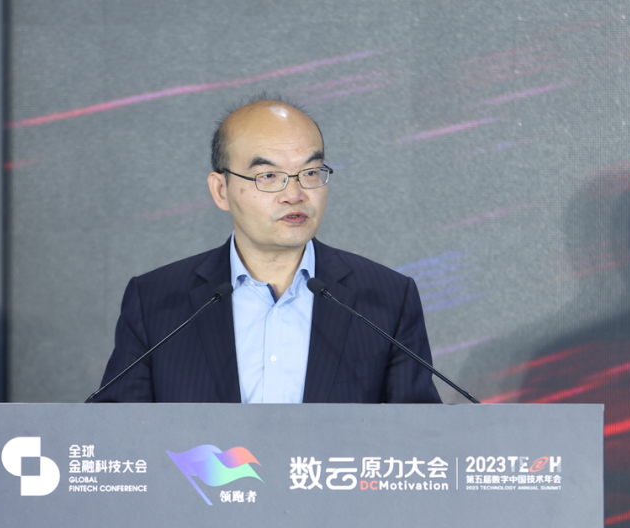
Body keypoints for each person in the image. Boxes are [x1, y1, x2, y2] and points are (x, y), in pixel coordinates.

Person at [94, 96, 441, 404]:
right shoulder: (155, 301)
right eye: (269, 176)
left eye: (310, 172)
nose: (295, 194)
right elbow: (118, 434)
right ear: (221, 190)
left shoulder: (387, 299)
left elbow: (419, 437)